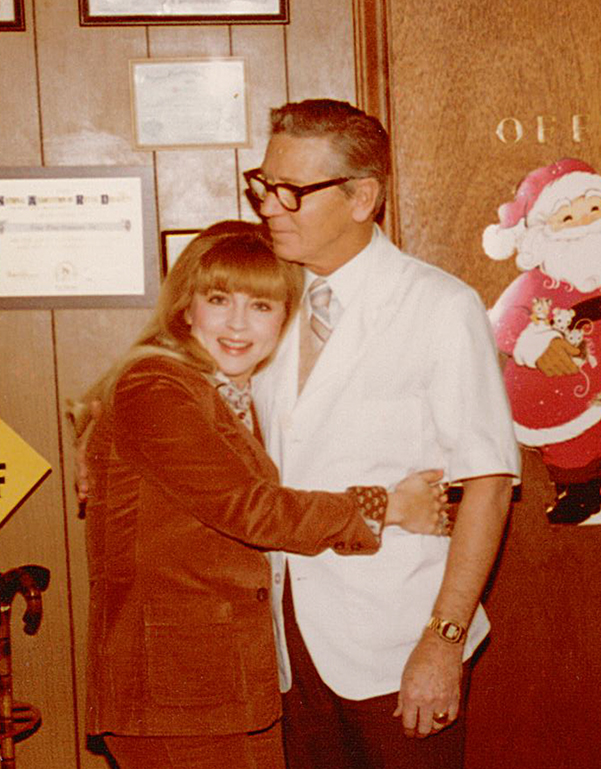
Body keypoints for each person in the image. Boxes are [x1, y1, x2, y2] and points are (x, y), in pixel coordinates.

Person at [77, 221, 449, 769]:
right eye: (219, 299)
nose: (237, 324)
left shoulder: (221, 388)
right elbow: (250, 509)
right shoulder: (157, 386)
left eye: (262, 306)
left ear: (286, 317)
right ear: (186, 306)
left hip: (219, 688)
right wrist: (388, 506)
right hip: (173, 693)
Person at [242, 99, 521, 769]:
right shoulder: (259, 301)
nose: (269, 206)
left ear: (362, 196)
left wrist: (443, 638)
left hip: (396, 641)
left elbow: (487, 483)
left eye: (291, 192)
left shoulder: (437, 307)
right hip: (285, 647)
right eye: (262, 184)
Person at [482, 157, 601, 524]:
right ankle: (581, 492)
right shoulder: (536, 285)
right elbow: (502, 321)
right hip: (561, 386)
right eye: (566, 218)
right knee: (574, 444)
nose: (584, 223)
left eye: (594, 208)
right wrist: (533, 343)